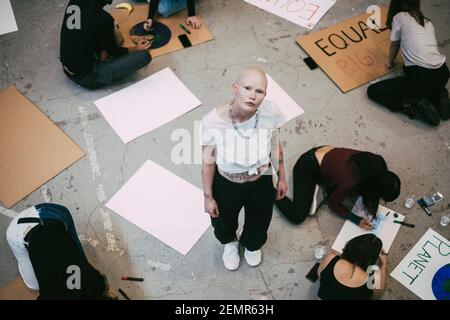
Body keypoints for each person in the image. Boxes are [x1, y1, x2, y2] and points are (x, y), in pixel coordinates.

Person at [201, 67, 288, 271]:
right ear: (235, 87)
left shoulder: (271, 112)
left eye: (259, 91)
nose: (252, 95)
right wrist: (208, 196)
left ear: (264, 95)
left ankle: (251, 244)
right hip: (227, 183)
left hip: (261, 179)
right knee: (223, 220)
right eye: (247, 88)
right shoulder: (213, 121)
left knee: (260, 219)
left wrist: (282, 177)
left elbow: (275, 145)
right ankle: (230, 243)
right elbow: (207, 161)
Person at [275, 146, 401, 231]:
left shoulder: (378, 164)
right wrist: (356, 220)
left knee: (352, 193)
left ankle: (321, 187)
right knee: (298, 216)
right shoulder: (351, 181)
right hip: (307, 165)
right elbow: (333, 204)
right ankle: (271, 188)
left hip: (324, 152)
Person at [6, 203, 115, 300]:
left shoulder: (98, 284)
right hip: (28, 225)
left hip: (54, 212)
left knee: (35, 285)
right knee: (34, 285)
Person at [367, 0, 450, 126]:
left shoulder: (399, 17)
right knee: (411, 71)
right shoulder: (428, 22)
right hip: (443, 73)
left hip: (421, 79)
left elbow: (395, 44)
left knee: (373, 91)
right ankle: (438, 93)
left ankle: (411, 105)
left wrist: (390, 63)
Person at [60, 0, 152, 90]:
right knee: (144, 56)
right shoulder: (104, 18)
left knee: (112, 35)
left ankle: (102, 57)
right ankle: (102, 68)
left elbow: (85, 27)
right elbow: (114, 51)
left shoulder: (75, 1)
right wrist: (136, 48)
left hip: (67, 66)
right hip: (87, 77)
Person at [317, 234, 388, 300]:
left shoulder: (330, 259)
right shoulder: (370, 280)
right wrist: (383, 263)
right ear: (373, 260)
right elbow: (377, 295)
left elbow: (319, 274)